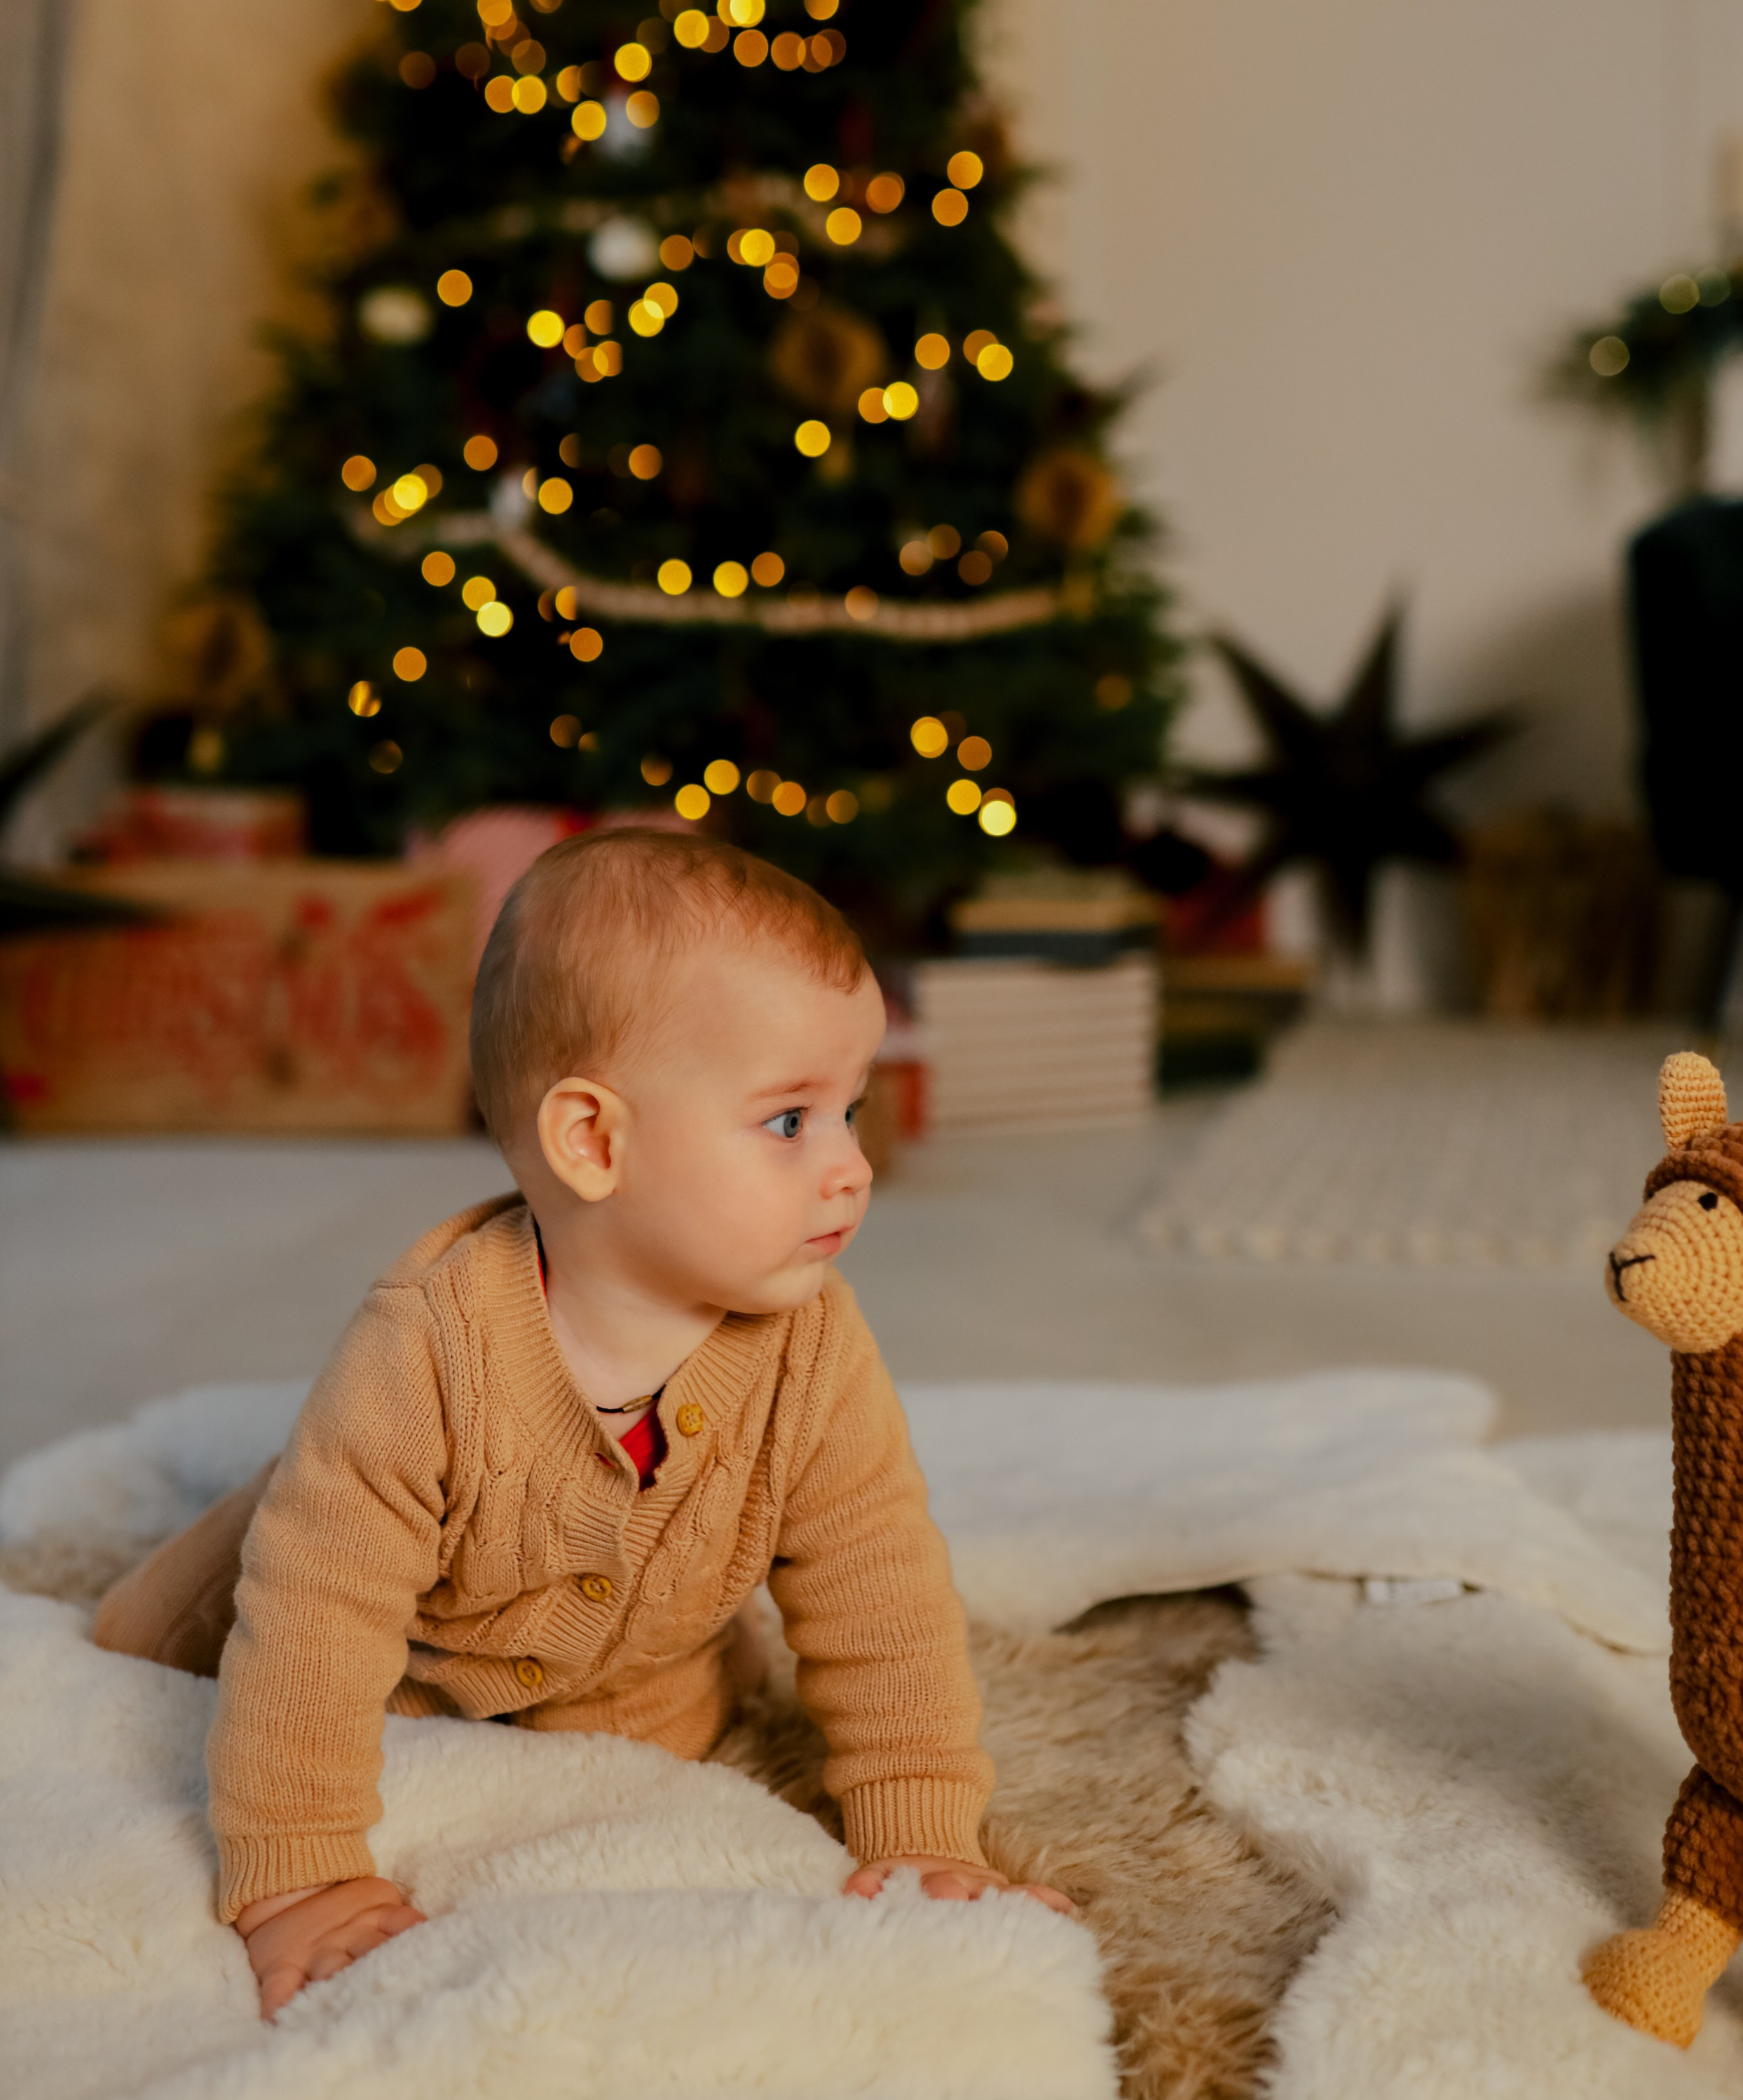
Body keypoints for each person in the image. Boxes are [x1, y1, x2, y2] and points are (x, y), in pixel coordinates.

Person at [95, 829, 1067, 2017]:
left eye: (850, 1112)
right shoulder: (428, 1350)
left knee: (796, 1602)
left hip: (644, 1690)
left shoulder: (813, 1343)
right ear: (593, 1141)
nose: (852, 1168)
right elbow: (316, 1630)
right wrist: (298, 1872)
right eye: (789, 1122)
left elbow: (881, 1586)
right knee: (202, 1608)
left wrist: (922, 1821)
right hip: (424, 1679)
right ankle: (169, 1599)